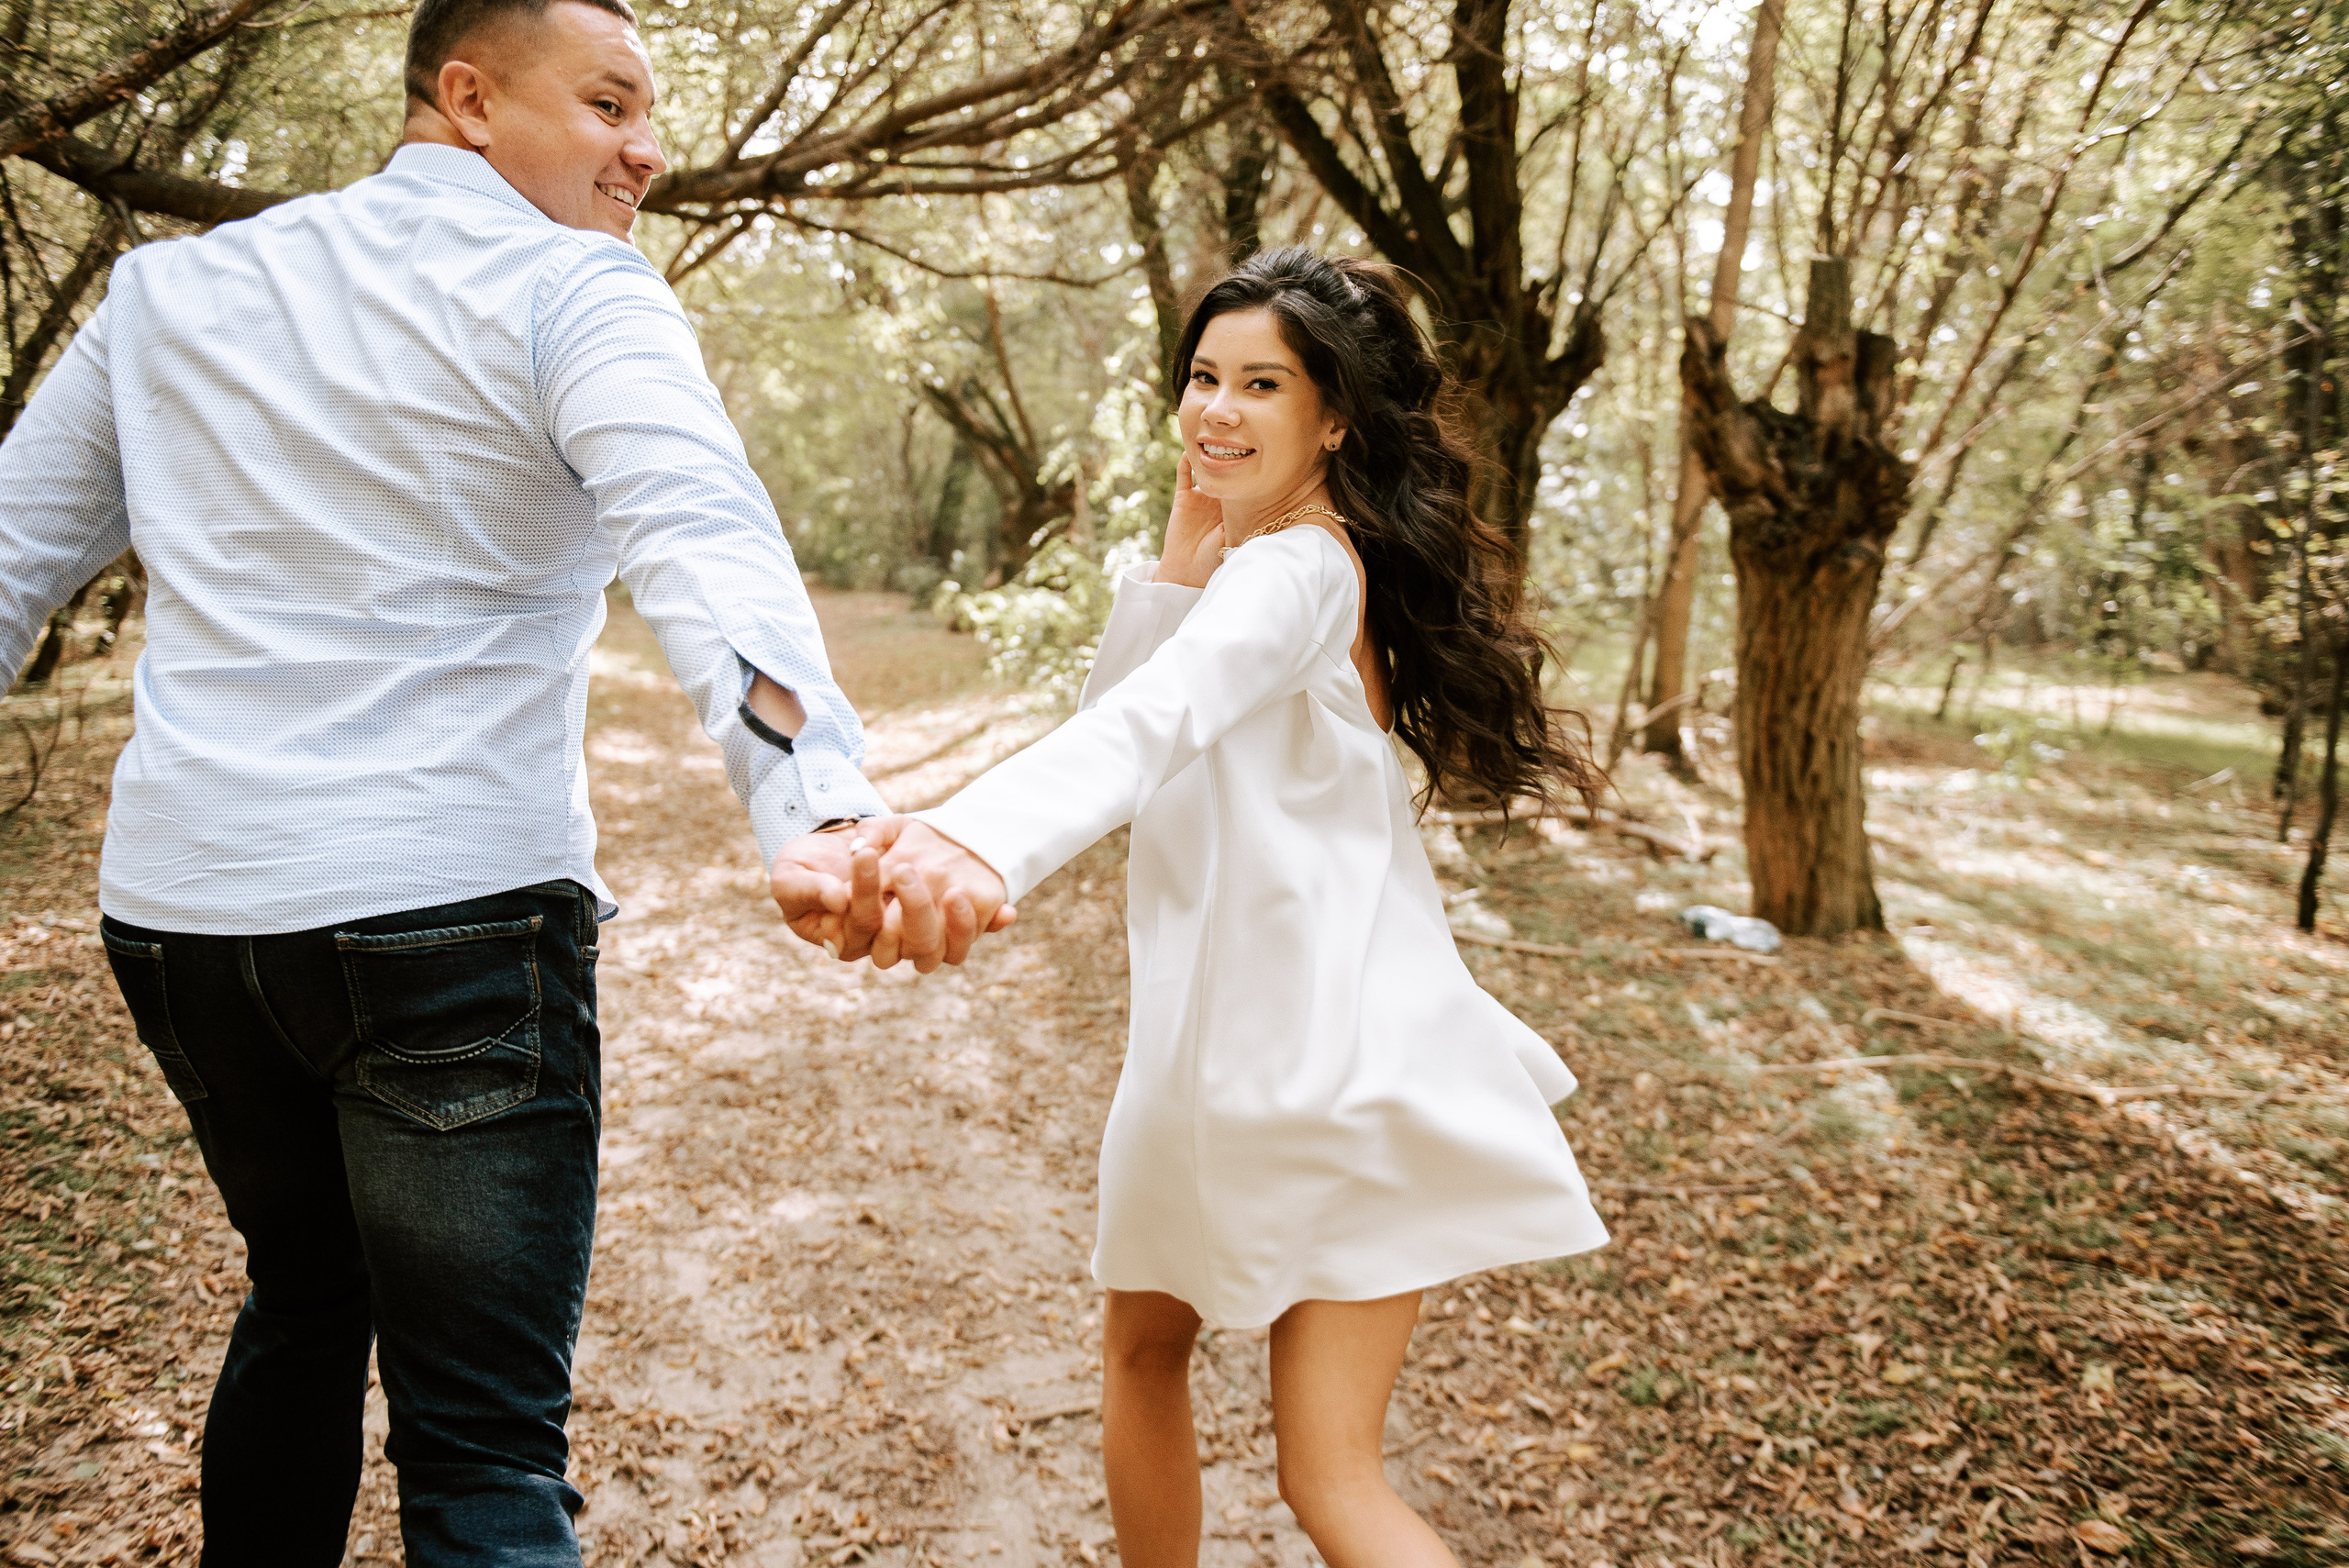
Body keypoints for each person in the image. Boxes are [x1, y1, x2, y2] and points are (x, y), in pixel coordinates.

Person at [0, 0, 996, 1559]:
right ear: (467, 96)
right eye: (610, 104)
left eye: (649, 117)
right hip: (450, 924)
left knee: (302, 1296)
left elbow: (9, 556)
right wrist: (812, 797)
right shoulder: (572, 287)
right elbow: (701, 536)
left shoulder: (168, 292)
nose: (646, 152)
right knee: (481, 1439)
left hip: (190, 925)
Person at [841, 249, 1612, 1568]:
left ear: (1336, 419)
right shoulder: (1292, 566)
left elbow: (1150, 723)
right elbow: (1146, 719)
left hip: (1272, 1071)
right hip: (1313, 1064)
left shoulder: (1294, 571)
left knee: (1197, 1393)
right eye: (1204, 376)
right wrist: (1181, 554)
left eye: (1263, 384)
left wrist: (974, 840)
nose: (1217, 408)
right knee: (1306, 1458)